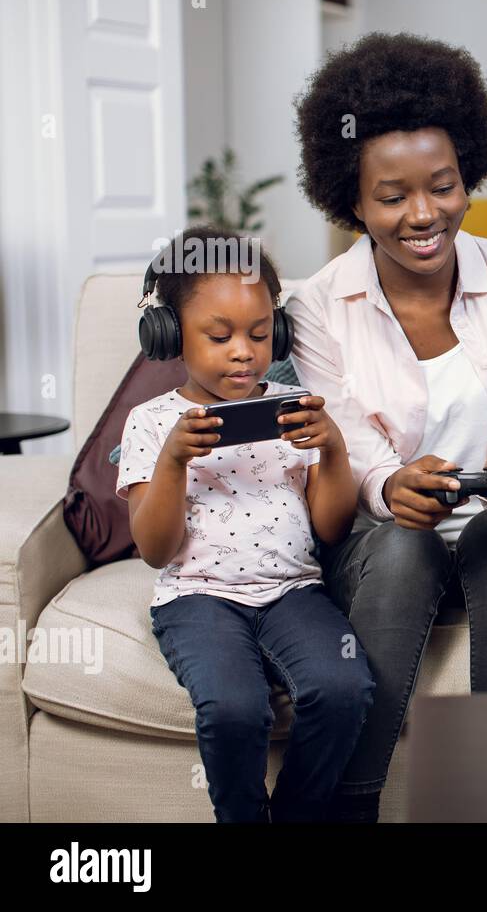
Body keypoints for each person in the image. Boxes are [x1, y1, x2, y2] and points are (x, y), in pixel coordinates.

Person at [290, 33, 487, 821]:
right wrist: (389, 486)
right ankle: (350, 805)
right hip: (379, 545)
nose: (423, 215)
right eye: (392, 196)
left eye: (442, 186)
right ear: (352, 202)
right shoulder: (317, 305)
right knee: (404, 547)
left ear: (469, 172)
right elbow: (349, 452)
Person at [118, 226, 374, 822]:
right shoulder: (153, 424)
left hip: (293, 593)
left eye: (261, 334)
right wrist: (173, 461)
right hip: (198, 597)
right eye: (220, 335)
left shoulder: (296, 412)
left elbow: (331, 529)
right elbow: (155, 550)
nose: (244, 350)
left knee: (344, 689)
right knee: (233, 707)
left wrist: (333, 449)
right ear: (169, 337)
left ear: (279, 332)